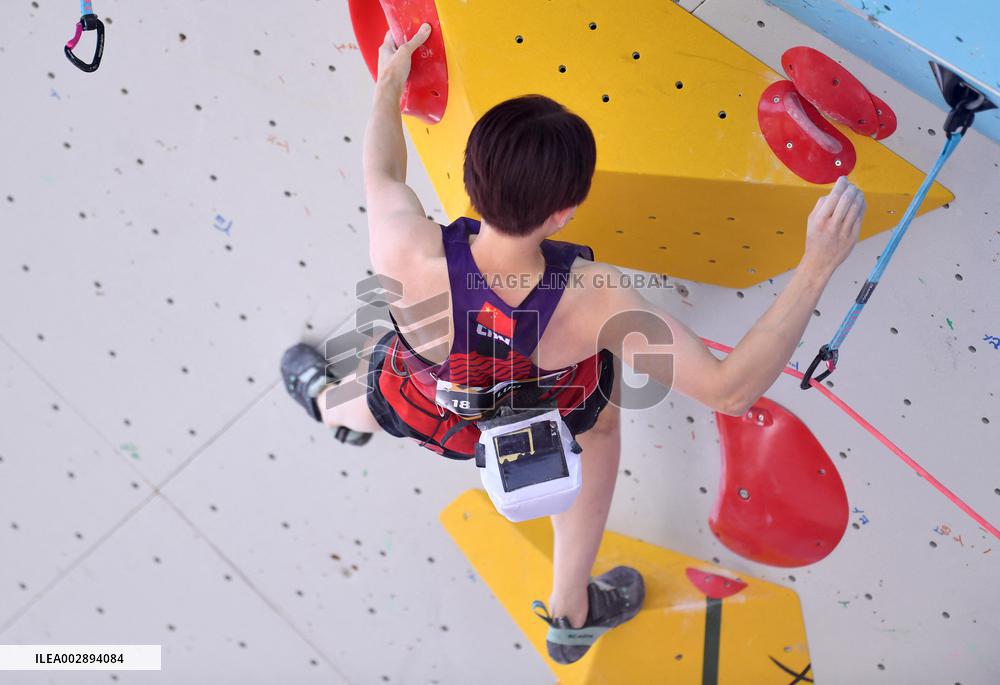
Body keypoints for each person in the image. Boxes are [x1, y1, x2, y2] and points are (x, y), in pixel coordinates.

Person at [281, 23, 866, 665]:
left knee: (375, 390)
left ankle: (323, 407)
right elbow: (730, 391)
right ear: (563, 212)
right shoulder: (593, 299)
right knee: (599, 431)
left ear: (471, 180)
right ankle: (570, 612)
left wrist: (388, 84)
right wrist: (817, 265)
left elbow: (382, 166)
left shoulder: (405, 246)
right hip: (549, 408)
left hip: (429, 397)